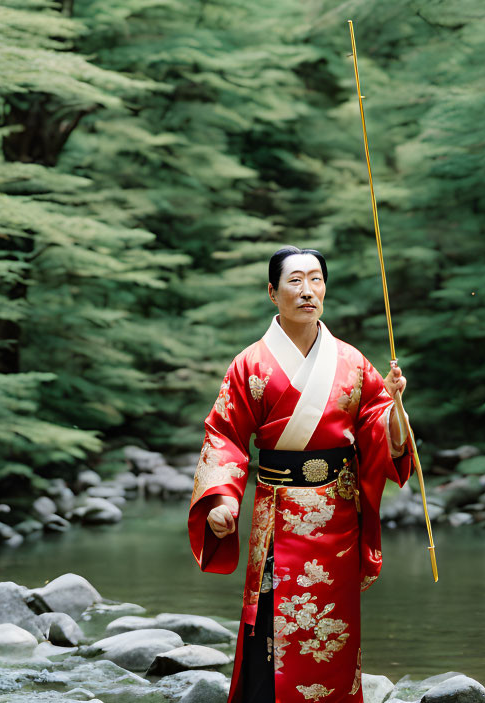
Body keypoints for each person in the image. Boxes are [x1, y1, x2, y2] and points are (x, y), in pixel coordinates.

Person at [187, 245, 413, 703]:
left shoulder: (351, 362)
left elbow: (376, 429)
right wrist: (223, 499)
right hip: (278, 514)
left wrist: (393, 405)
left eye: (316, 280)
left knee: (333, 627)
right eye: (294, 281)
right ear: (272, 293)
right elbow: (224, 434)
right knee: (268, 622)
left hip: (337, 517)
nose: (307, 291)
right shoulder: (250, 364)